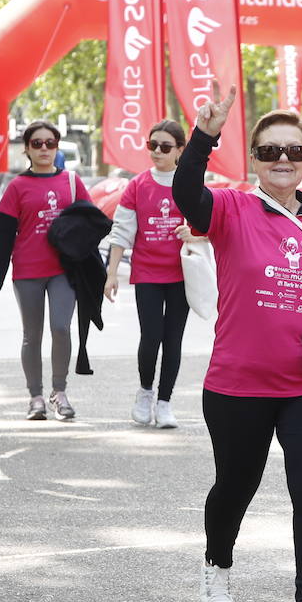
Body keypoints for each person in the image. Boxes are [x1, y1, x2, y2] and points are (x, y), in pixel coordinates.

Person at [172, 86, 302, 602]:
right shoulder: (231, 208)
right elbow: (185, 193)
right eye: (270, 152)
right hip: (238, 383)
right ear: (255, 159)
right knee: (236, 484)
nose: (283, 161)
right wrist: (203, 133)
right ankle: (217, 565)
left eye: (295, 152)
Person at [0, 121, 90, 421]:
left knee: (61, 327)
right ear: (27, 149)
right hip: (28, 270)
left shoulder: (72, 181)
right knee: (32, 335)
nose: (44, 148)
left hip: (63, 269)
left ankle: (60, 391)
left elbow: (90, 223)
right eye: (37, 143)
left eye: (50, 143)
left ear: (57, 146)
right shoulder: (17, 186)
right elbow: (3, 235)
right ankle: (36, 397)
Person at [104, 120, 190, 430]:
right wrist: (111, 274)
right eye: (152, 145)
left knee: (174, 339)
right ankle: (145, 392)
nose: (157, 152)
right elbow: (122, 232)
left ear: (180, 150)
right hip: (148, 273)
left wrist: (192, 234)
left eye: (165, 147)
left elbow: (210, 226)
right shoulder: (137, 185)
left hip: (183, 276)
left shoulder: (189, 183)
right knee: (151, 336)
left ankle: (165, 402)